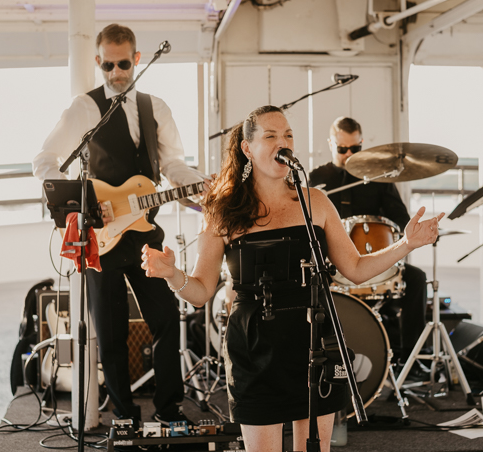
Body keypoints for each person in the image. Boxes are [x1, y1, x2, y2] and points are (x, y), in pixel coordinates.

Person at [142, 105, 443, 452]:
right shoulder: (222, 210)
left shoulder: (315, 201)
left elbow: (356, 268)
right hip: (254, 349)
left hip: (313, 341)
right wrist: (172, 274)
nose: (282, 143)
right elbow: (200, 292)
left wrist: (407, 243)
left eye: (287, 136)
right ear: (247, 148)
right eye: (270, 136)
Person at [33, 24, 206, 425]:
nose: (116, 72)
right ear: (98, 62)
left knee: (166, 320)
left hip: (146, 232)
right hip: (101, 237)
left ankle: (168, 409)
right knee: (110, 333)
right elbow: (45, 158)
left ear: (137, 59)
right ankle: (125, 416)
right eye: (108, 64)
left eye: (123, 63)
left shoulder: (155, 106)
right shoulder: (85, 107)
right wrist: (78, 203)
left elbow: (174, 164)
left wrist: (198, 181)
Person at [309, 117, 428, 372]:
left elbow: (401, 219)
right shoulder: (317, 179)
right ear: (331, 144)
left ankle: (411, 360)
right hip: (331, 267)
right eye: (342, 149)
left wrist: (411, 233)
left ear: (362, 143)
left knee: (417, 279)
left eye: (355, 148)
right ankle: (321, 357)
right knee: (308, 288)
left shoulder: (377, 176)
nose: (349, 154)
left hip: (375, 264)